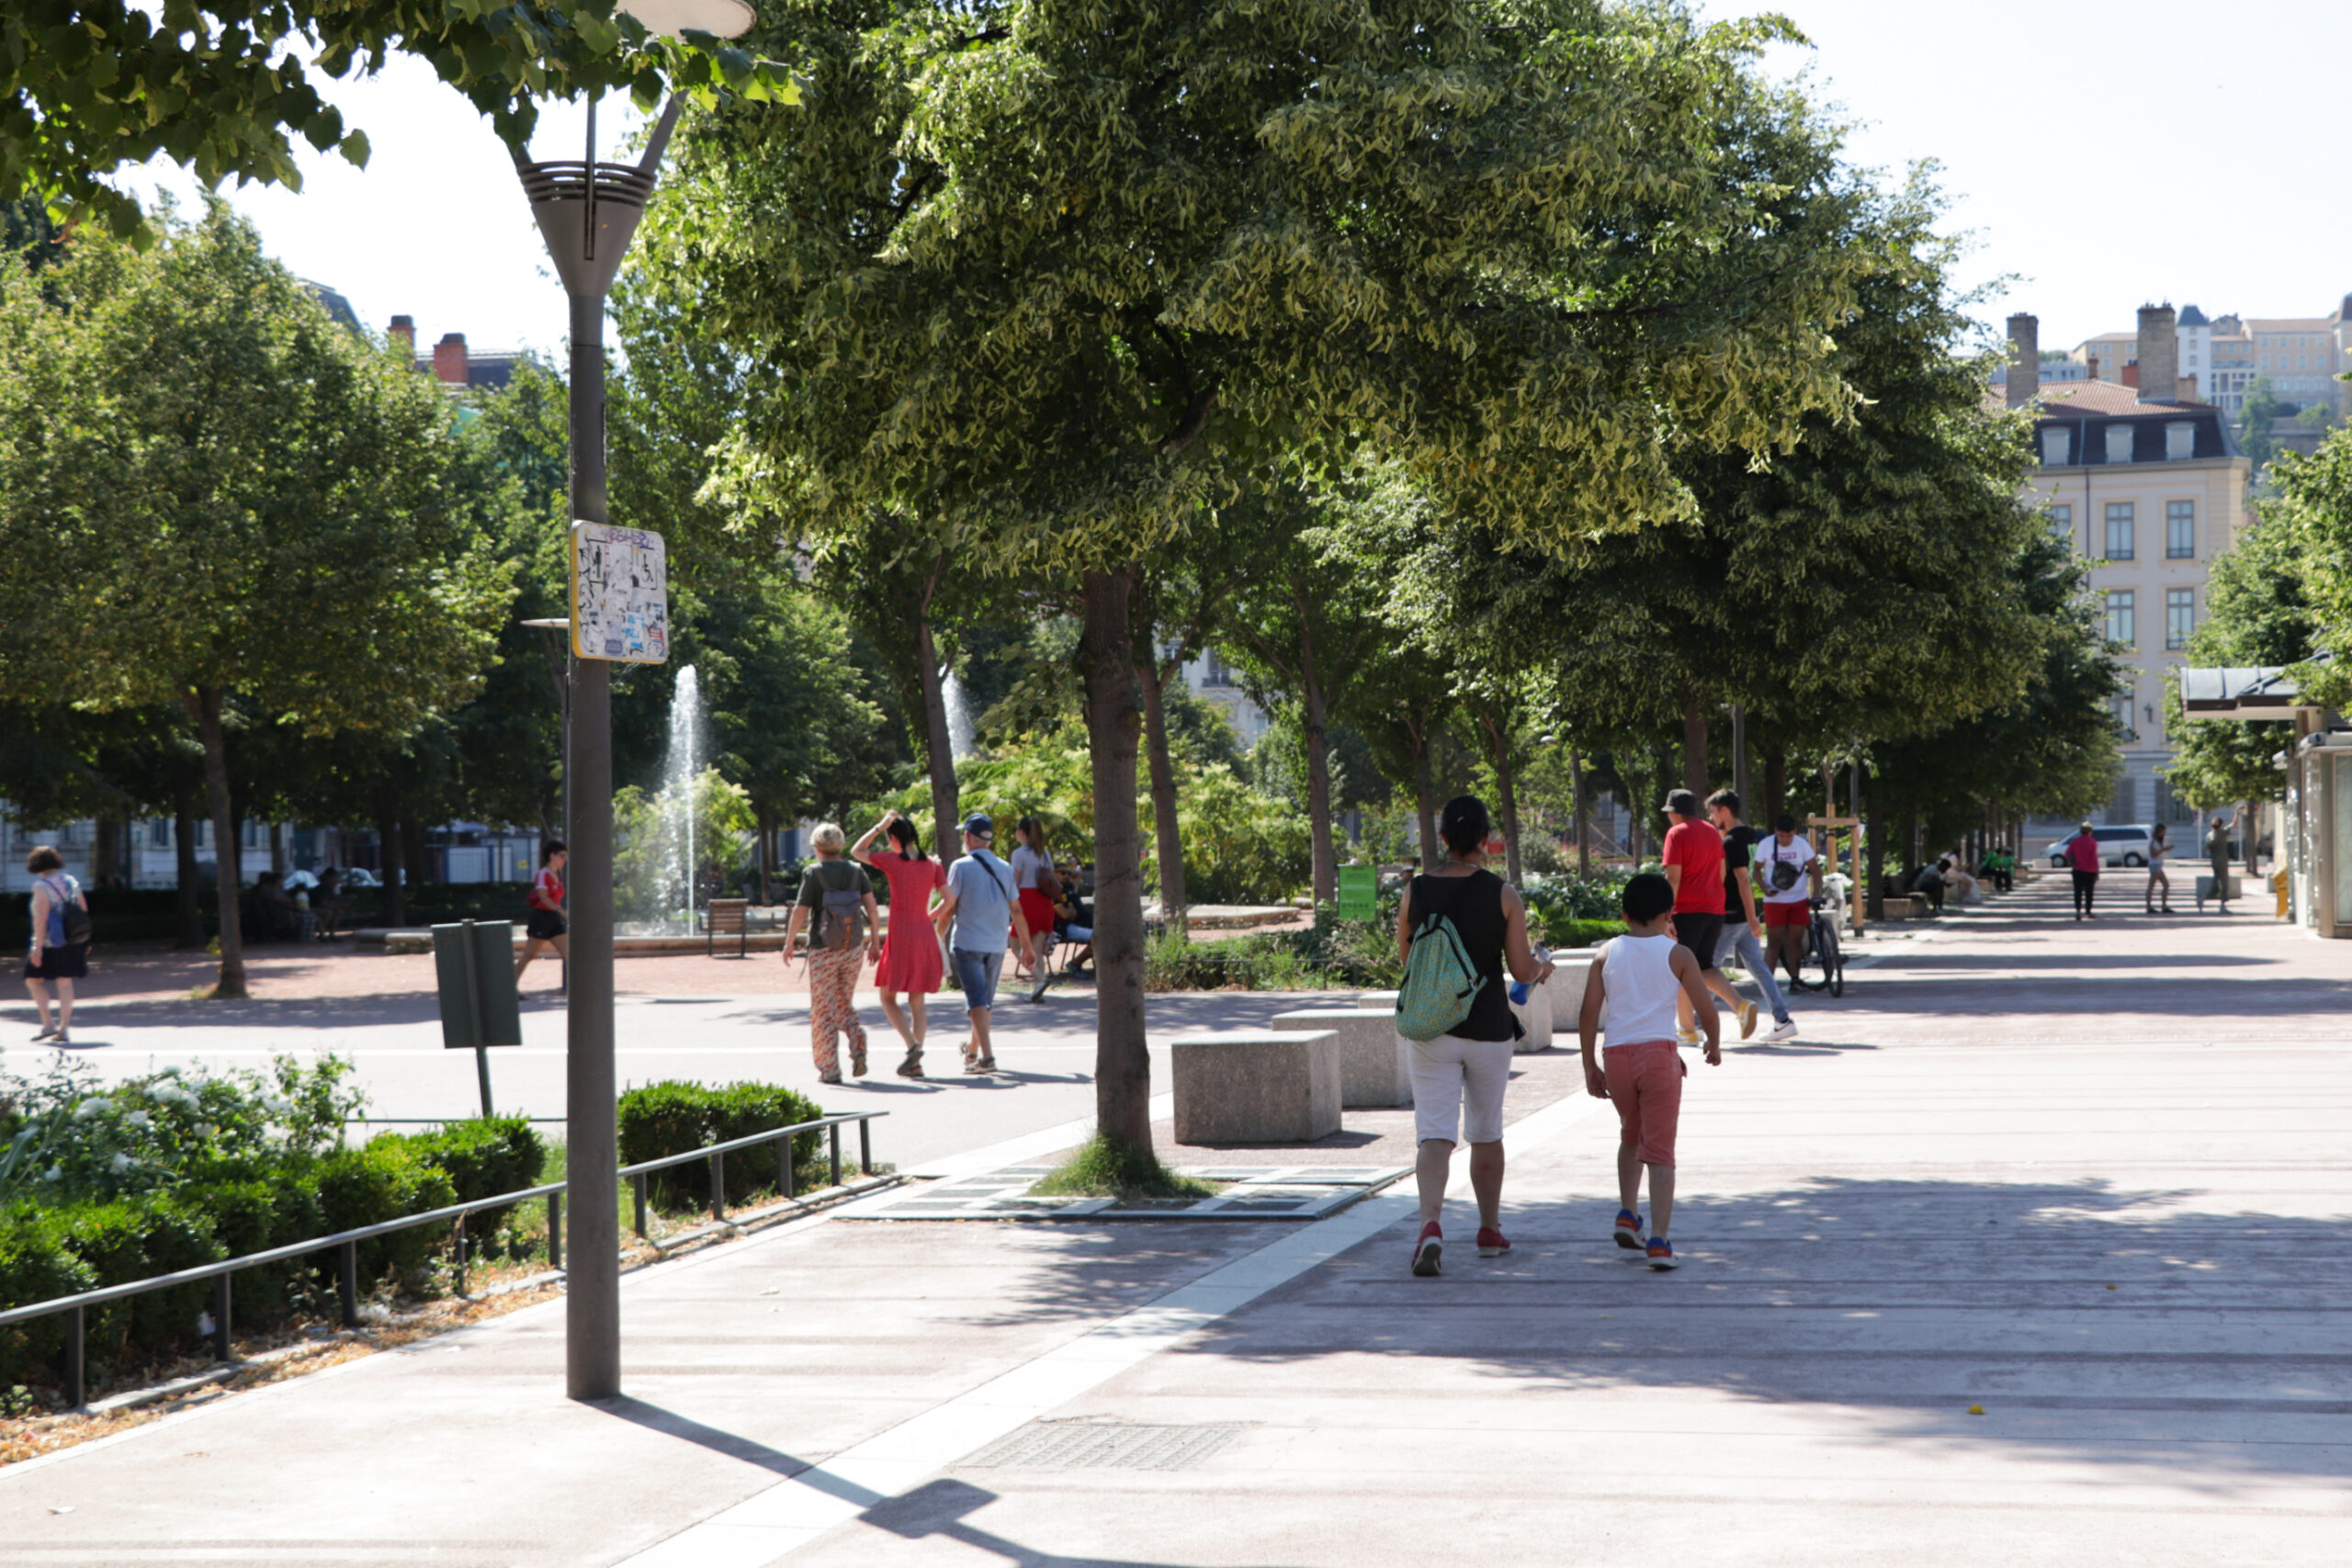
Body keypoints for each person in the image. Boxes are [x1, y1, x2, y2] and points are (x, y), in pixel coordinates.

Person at [1395, 795, 1554, 1276]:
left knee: (1435, 1133)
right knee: (1486, 1131)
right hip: (1487, 1027)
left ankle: (1430, 1225)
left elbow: (1407, 960)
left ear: (1442, 838)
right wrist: (1542, 969)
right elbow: (1520, 968)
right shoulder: (1503, 894)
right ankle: (1488, 1230)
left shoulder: (1416, 890)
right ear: (1487, 840)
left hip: (1432, 1028)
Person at [1577, 871, 1722, 1271]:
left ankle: (1628, 1213)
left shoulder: (1606, 953)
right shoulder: (1678, 954)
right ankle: (1659, 1240)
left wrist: (1589, 1064)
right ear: (1669, 912)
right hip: (1659, 1057)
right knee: (1660, 1151)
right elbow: (1705, 1007)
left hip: (1616, 1056)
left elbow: (1588, 1014)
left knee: (1631, 1134)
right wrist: (1714, 1042)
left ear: (1624, 914)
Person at [932, 814, 1032, 1074]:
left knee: (977, 1001)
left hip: (967, 943)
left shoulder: (960, 866)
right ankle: (973, 1053)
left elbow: (949, 905)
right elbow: (1017, 910)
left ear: (967, 837)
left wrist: (937, 934)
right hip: (997, 944)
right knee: (984, 1001)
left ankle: (987, 1058)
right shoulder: (1005, 868)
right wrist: (1028, 946)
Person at [786, 823, 882, 1084]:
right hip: (853, 948)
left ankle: (830, 1069)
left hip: (822, 948)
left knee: (823, 1009)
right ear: (840, 845)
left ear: (817, 847)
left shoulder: (813, 873)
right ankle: (857, 1043)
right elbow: (872, 909)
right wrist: (874, 942)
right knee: (842, 1001)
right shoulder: (856, 871)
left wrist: (789, 942)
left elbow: (801, 911)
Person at [854, 811, 946, 1078]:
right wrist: (927, 917)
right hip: (924, 934)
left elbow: (857, 851)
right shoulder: (932, 864)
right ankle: (915, 1063)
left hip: (901, 935)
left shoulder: (893, 861)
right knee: (917, 1001)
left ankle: (912, 1047)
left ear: (894, 838)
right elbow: (949, 898)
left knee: (887, 996)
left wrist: (878, 826)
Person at [1659, 788, 1748, 1043]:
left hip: (1686, 909)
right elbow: (1721, 872)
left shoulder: (1676, 833)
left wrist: (1666, 914)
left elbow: (1673, 877)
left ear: (1676, 814)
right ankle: (1740, 1006)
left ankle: (1687, 1030)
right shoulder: (1712, 831)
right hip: (1714, 909)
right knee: (1703, 965)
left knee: (1680, 969)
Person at [1707, 791, 1797, 1043]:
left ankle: (1693, 1024)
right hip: (1744, 914)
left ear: (1725, 810)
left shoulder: (1732, 842)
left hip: (1732, 914)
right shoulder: (1751, 836)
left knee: (1707, 970)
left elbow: (1743, 879)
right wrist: (1752, 916)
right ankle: (1782, 1019)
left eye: (1714, 812)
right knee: (1758, 968)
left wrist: (1751, 918)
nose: (1711, 817)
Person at [23, 845, 88, 1045]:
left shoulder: (41, 886)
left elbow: (41, 919)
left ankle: (48, 1023)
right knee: (65, 983)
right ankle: (64, 1028)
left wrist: (37, 946)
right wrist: (85, 939)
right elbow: (83, 910)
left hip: (51, 942)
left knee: (33, 979)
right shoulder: (71, 882)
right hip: (73, 940)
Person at [1755, 814, 1823, 994]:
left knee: (1795, 940)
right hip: (1774, 901)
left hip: (1798, 899)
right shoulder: (1766, 845)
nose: (1785, 840)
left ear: (1795, 833)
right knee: (1774, 941)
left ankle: (1795, 980)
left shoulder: (1802, 845)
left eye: (1789, 836)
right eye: (1781, 836)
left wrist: (1816, 893)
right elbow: (1756, 871)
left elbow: (1816, 870)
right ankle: (1768, 985)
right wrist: (1765, 888)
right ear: (1775, 832)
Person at [1009, 817, 1059, 982]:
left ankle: (1039, 979)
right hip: (1044, 901)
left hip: (1026, 900)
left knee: (1015, 944)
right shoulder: (1045, 854)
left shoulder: (1018, 854)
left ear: (1021, 832)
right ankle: (1040, 985)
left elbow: (1015, 882)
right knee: (1036, 950)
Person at [515, 841, 570, 987]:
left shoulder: (558, 874)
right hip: (541, 918)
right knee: (529, 955)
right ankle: (509, 986)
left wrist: (559, 912)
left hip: (554, 919)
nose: (565, 859)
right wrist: (561, 911)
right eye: (562, 856)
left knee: (569, 954)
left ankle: (582, 987)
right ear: (552, 856)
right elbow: (543, 897)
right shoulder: (543, 874)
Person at [2064, 820, 2101, 920]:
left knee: (2078, 891)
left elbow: (2067, 854)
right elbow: (2094, 858)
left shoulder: (2075, 841)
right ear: (2090, 831)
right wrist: (2097, 871)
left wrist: (2073, 860)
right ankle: (2088, 911)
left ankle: (2078, 910)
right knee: (2089, 892)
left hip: (2077, 870)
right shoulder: (2092, 842)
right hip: (2090, 871)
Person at [314, 866, 351, 939]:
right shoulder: (323, 888)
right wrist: (338, 906)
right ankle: (322, 933)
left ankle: (332, 933)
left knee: (338, 912)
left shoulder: (331, 888)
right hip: (314, 908)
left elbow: (333, 901)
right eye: (335, 877)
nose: (336, 880)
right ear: (329, 878)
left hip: (323, 908)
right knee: (328, 912)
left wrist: (339, 906)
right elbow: (322, 903)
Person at [2206, 816, 2233, 913]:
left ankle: (2210, 895)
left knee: (2216, 879)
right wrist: (2237, 813)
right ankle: (2220, 901)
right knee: (2224, 881)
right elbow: (2233, 824)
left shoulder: (2209, 834)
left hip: (2214, 860)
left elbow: (2207, 848)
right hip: (2221, 860)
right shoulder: (2222, 833)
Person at [2145, 822, 2174, 915]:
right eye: (2162, 832)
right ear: (2158, 831)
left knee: (2166, 885)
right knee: (2151, 886)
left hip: (2158, 865)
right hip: (2154, 865)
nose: (2163, 833)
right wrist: (2163, 850)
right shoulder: (2153, 841)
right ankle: (2149, 907)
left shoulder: (2158, 841)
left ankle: (2163, 906)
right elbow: (2153, 854)